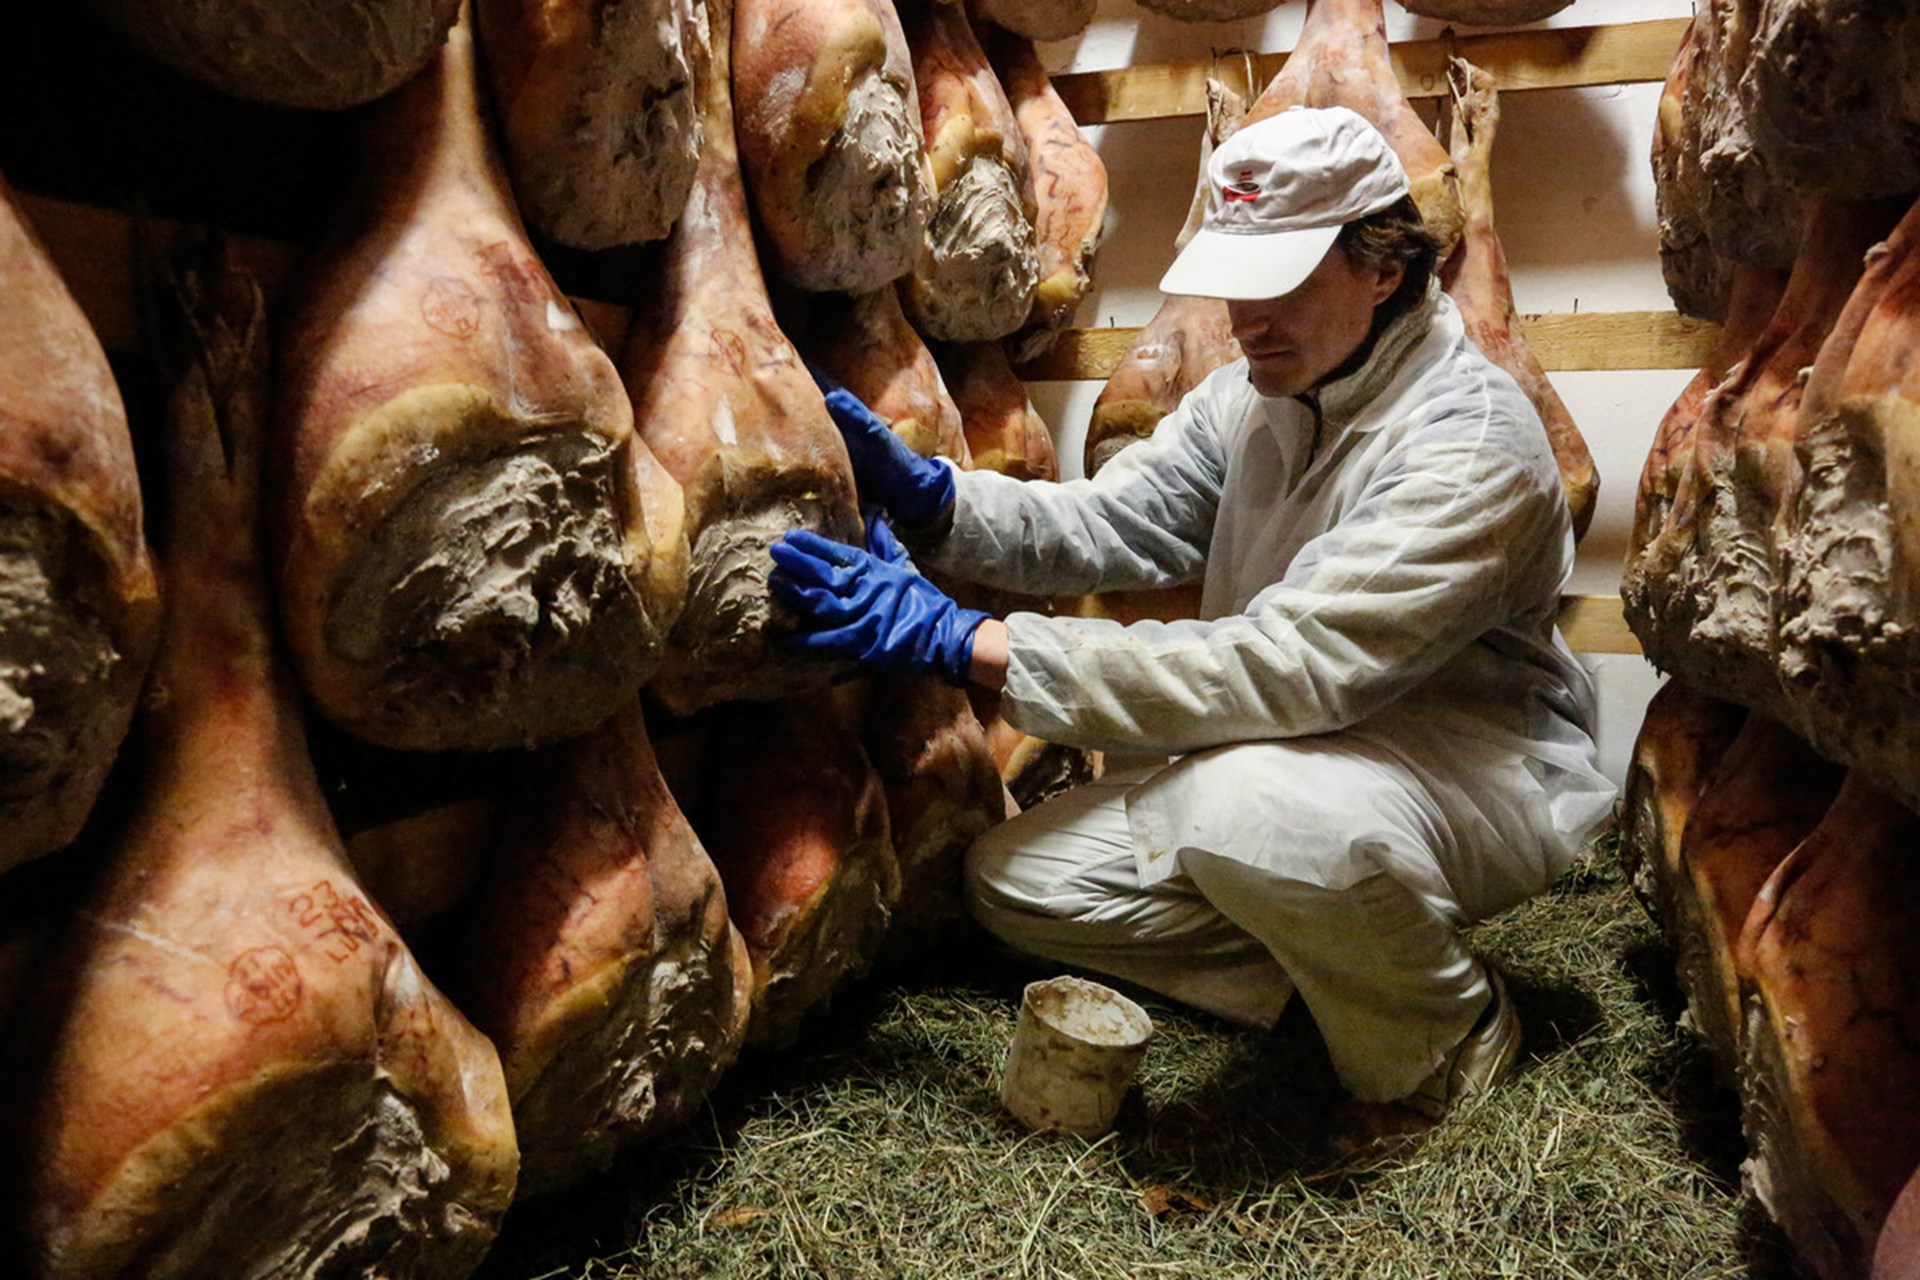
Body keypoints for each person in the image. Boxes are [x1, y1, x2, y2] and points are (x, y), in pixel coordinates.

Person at [768, 105, 1617, 1135]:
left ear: (1383, 268)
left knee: (1241, 807)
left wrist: (970, 643)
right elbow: (1109, 522)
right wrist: (941, 504)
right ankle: (1340, 972)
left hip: (1463, 770)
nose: (1247, 319)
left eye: (1281, 285)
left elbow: (1287, 669)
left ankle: (1445, 1039)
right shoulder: (1253, 400)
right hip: (1298, 756)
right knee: (1015, 880)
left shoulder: (1470, 445)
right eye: (1236, 284)